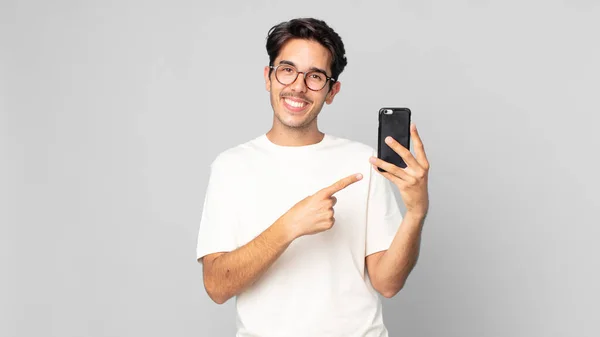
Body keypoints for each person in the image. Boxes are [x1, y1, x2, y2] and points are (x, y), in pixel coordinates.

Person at [196, 17, 430, 337]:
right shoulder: (231, 167)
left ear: (332, 91)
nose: (298, 86)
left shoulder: (362, 163)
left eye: (315, 76)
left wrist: (416, 213)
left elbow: (388, 284)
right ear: (269, 77)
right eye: (287, 69)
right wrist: (290, 225)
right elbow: (217, 286)